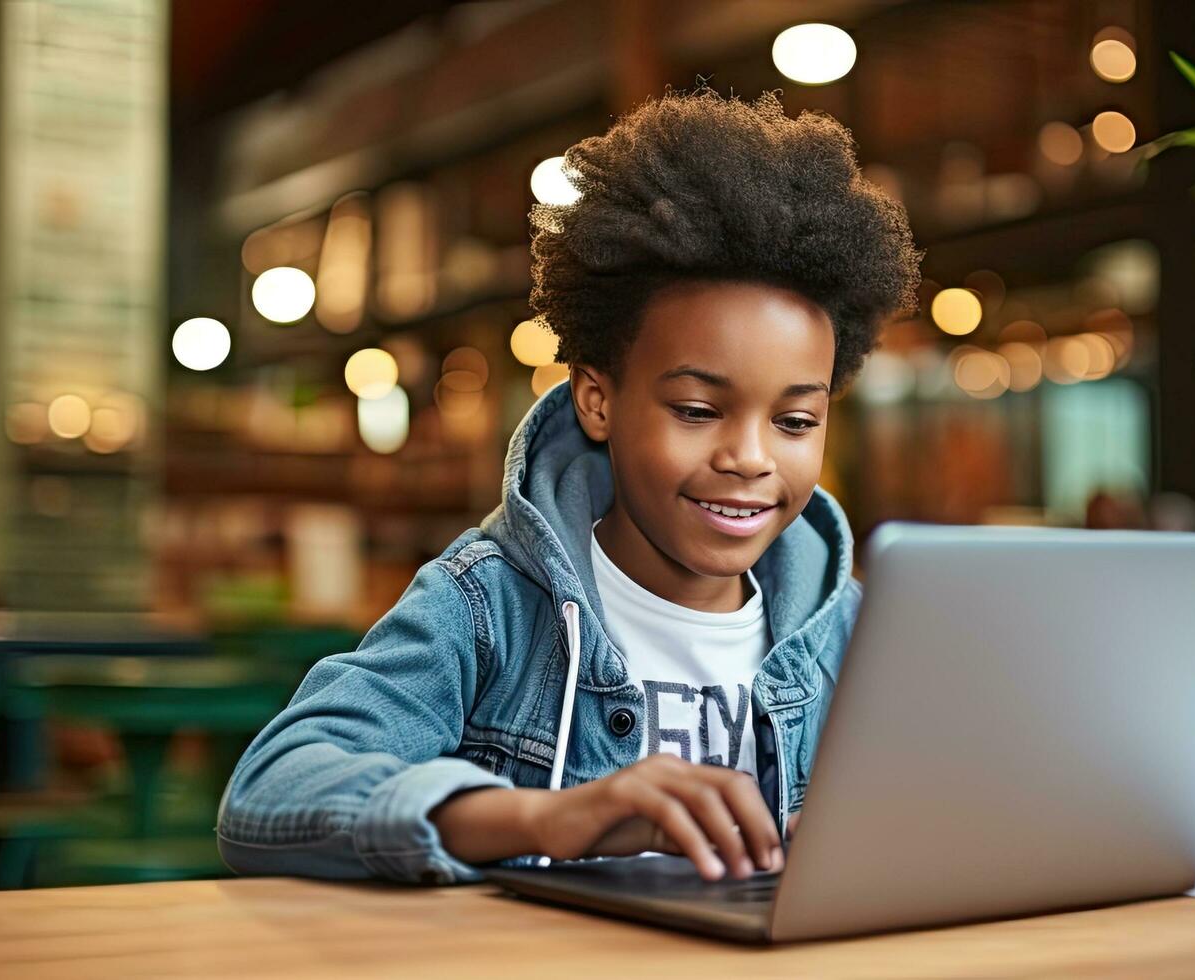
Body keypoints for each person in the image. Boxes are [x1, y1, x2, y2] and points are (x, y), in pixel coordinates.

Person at [219, 89, 921, 885]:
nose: (750, 457)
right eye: (697, 410)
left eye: (795, 422)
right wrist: (547, 818)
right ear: (596, 398)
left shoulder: (849, 629)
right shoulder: (489, 605)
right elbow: (270, 790)